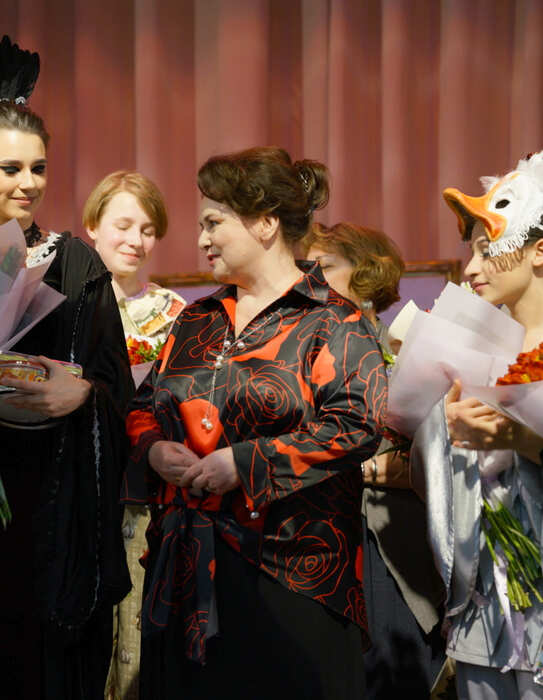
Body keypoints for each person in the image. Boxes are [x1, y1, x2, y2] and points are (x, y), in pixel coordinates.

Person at [126, 147, 386, 699]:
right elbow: (143, 405)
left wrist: (244, 463)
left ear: (266, 223)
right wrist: (154, 449)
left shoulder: (330, 320)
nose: (201, 239)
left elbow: (356, 424)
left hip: (291, 577)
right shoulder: (196, 319)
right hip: (186, 570)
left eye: (213, 223)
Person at [0, 36, 132, 699]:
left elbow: (117, 387)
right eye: (10, 168)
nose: (27, 183)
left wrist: (83, 395)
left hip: (50, 502)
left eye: (38, 168)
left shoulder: (76, 263)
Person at [304, 222, 447, 696]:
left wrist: (368, 469)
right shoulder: (302, 349)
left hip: (390, 547)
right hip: (324, 548)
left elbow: (437, 454)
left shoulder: (403, 351)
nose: (311, 275)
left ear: (366, 275)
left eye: (325, 266)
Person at [430, 153, 543, 698]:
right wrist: (441, 425)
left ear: (539, 250)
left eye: (486, 249)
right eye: (470, 252)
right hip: (485, 605)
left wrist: (520, 437)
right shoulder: (474, 351)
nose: (471, 269)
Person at [82, 170, 184, 700]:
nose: (135, 240)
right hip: (83, 480)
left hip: (146, 486)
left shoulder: (175, 313)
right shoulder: (69, 304)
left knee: (140, 625)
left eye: (147, 230)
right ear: (93, 226)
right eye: (123, 225)